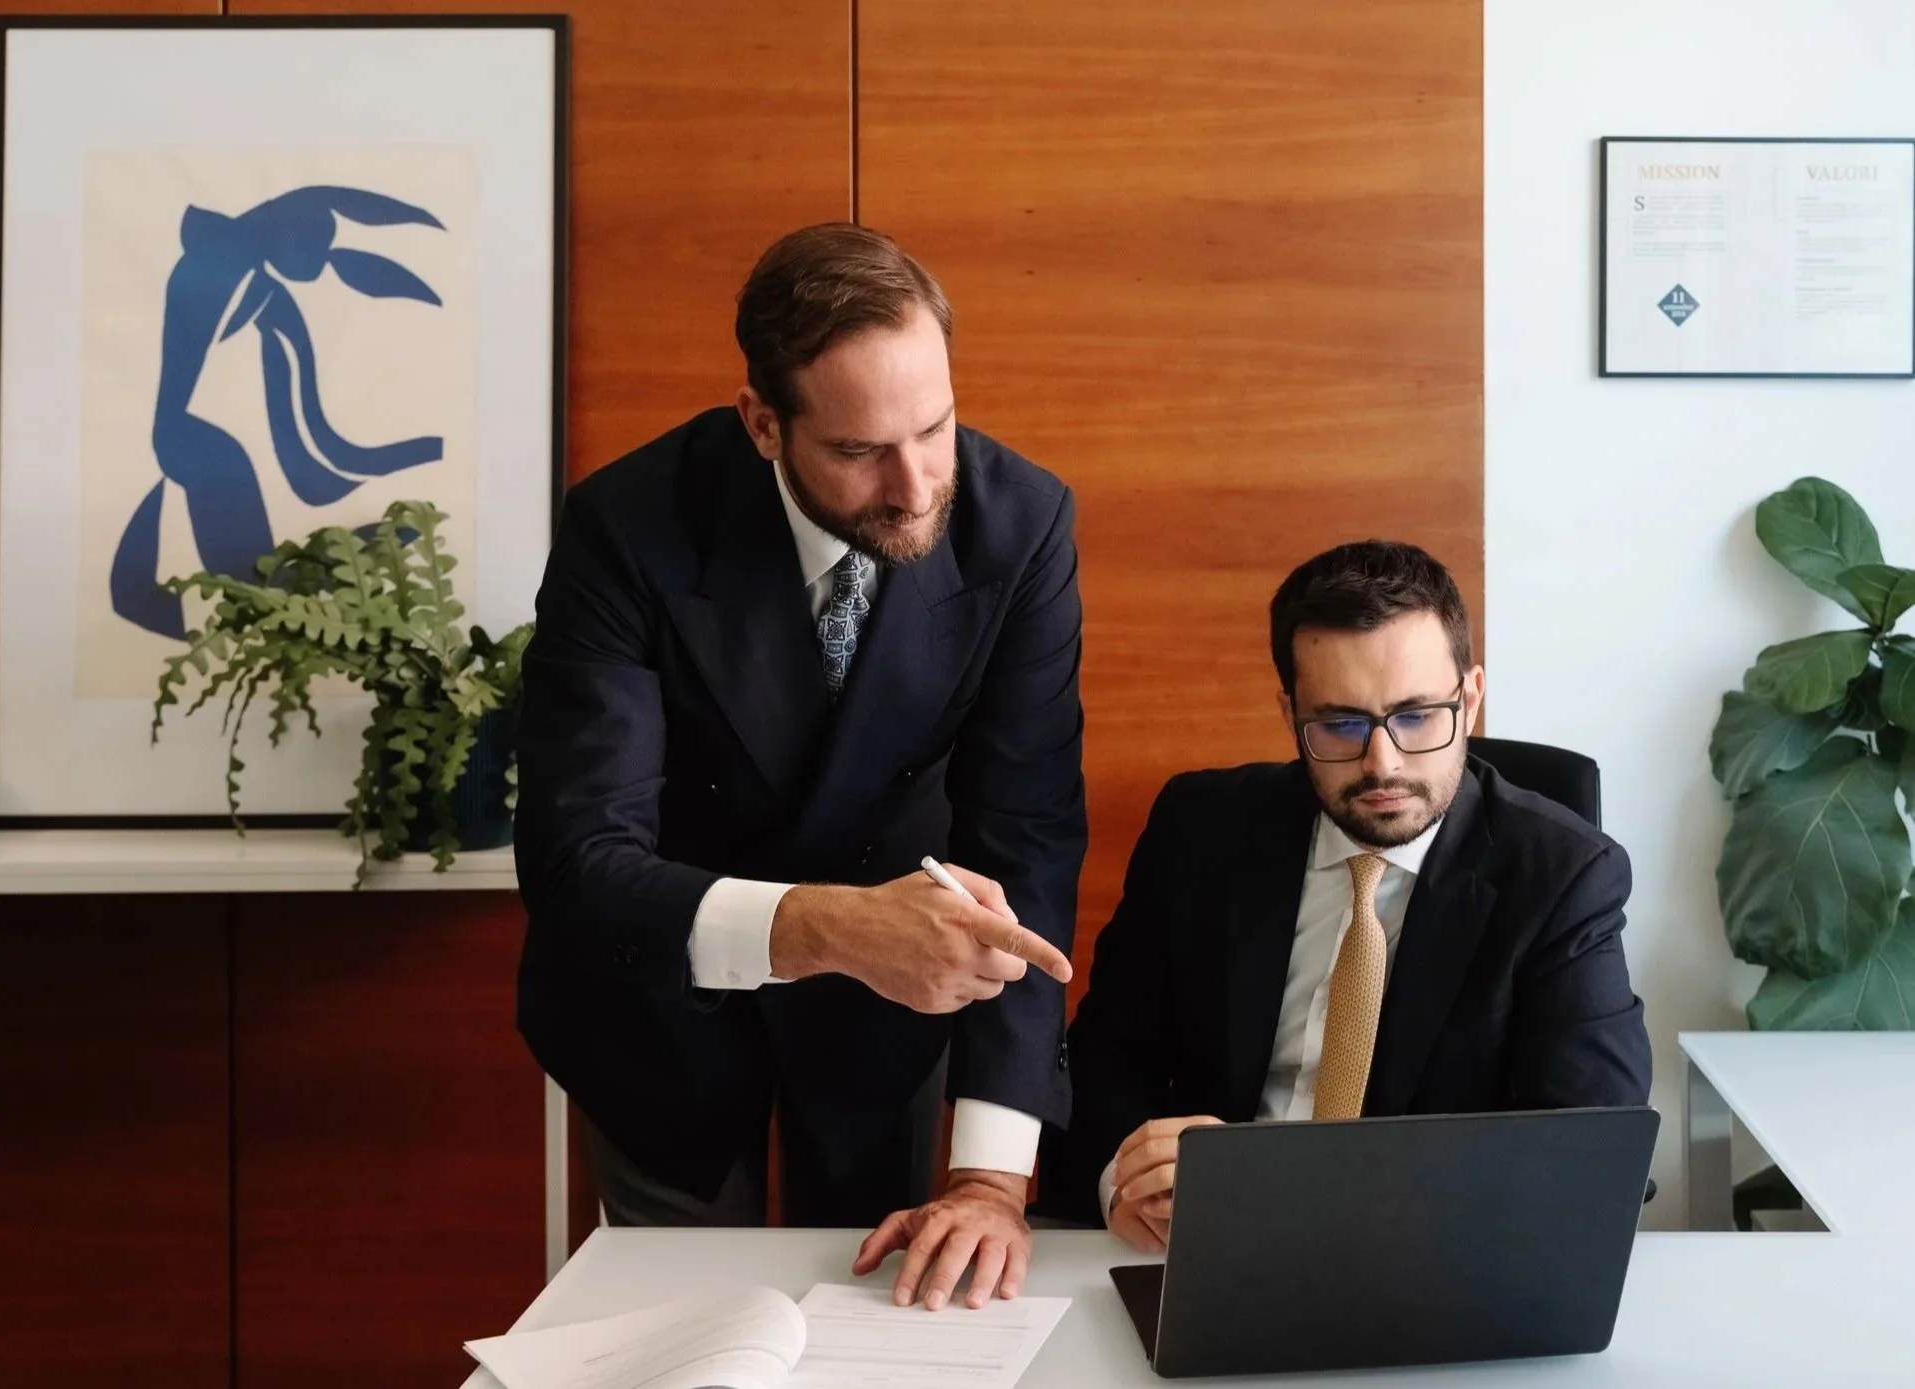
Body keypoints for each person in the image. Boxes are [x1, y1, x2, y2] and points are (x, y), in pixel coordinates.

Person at [512, 223, 1086, 1309]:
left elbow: (1030, 837)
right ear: (762, 423)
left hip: (896, 1011)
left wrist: (987, 1177)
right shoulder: (625, 530)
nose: (915, 487)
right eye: (860, 451)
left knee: (879, 1321)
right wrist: (829, 928)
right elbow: (576, 861)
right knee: (682, 1341)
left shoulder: (1021, 525)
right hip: (659, 996)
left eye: (935, 428)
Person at [1040, 540, 1651, 1250]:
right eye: (1340, 724)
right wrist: (1127, 1178)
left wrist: (1302, 1193)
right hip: (1207, 1243)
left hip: (1436, 1256)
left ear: (1472, 697)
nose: (1382, 763)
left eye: (1418, 715)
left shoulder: (1562, 875)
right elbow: (1102, 1060)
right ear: (1290, 713)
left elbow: (1588, 1147)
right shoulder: (1200, 829)